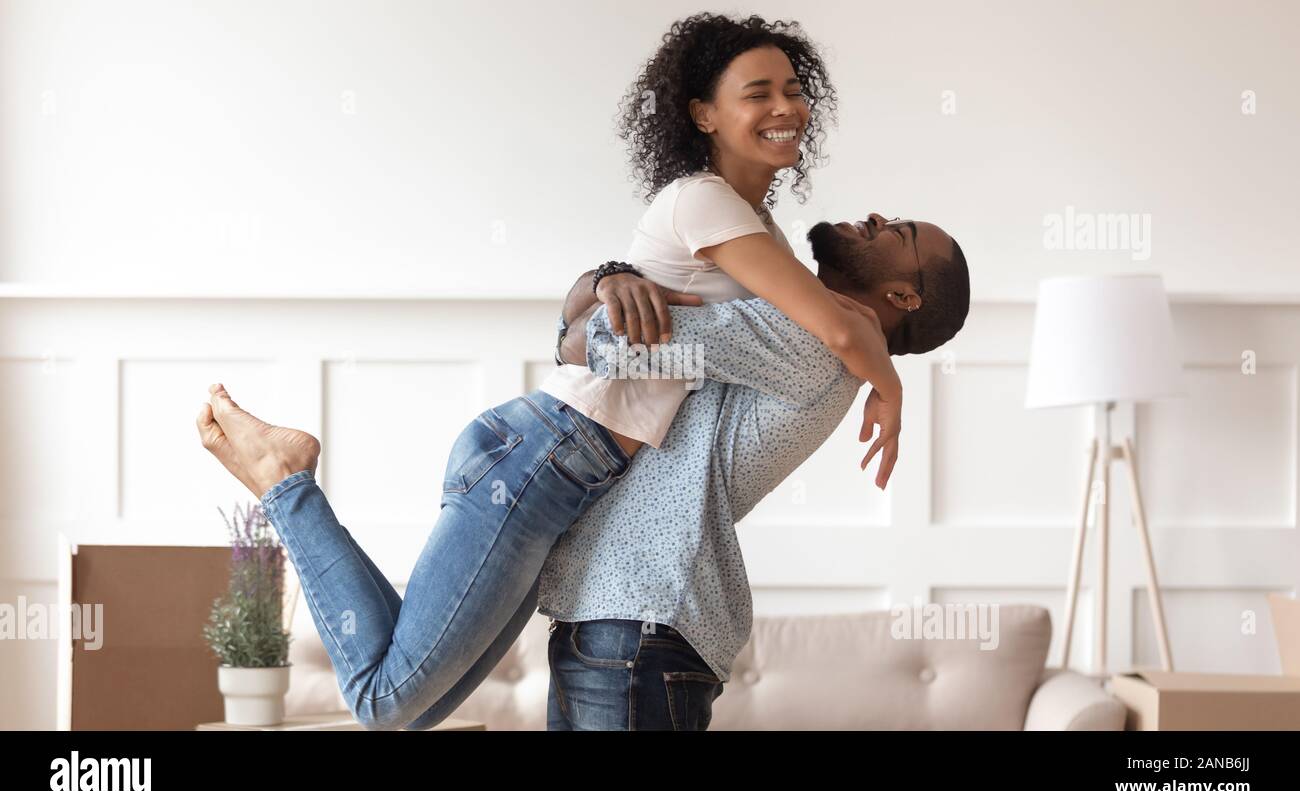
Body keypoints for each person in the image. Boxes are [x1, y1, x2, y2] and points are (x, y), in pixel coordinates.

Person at [194, 12, 896, 731]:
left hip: (564, 474)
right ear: (703, 114)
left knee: (404, 707)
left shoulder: (756, 233)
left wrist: (603, 284)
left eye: (792, 89)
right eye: (759, 92)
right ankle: (286, 483)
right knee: (384, 702)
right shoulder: (705, 200)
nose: (785, 107)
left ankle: (290, 483)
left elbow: (598, 336)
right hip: (543, 455)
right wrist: (890, 387)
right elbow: (837, 328)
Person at [542, 216, 970, 730]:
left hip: (637, 621)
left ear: (901, 297)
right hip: (619, 620)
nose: (880, 218)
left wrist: (604, 286)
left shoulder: (811, 341)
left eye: (899, 234)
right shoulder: (817, 331)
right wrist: (608, 284)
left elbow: (601, 339)